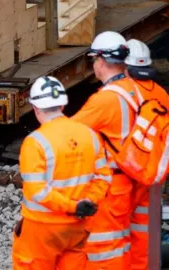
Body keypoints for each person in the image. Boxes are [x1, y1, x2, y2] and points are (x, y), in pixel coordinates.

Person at [12, 76, 112, 269]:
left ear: (36, 108)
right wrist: (88, 203)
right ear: (62, 106)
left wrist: (71, 206)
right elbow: (103, 176)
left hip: (42, 228)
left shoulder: (35, 142)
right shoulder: (89, 135)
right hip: (77, 227)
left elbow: (38, 192)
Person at [71, 31, 134, 269]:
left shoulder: (104, 100)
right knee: (121, 242)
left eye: (93, 60)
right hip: (129, 180)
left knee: (103, 248)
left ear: (102, 60)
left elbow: (69, 131)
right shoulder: (133, 89)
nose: (93, 66)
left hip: (110, 186)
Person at [123, 38, 169, 270]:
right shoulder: (162, 94)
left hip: (130, 172)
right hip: (154, 173)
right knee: (147, 229)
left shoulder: (122, 94)